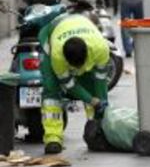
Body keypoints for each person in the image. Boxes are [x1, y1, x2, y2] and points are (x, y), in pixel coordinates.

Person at [38, 13, 110, 154]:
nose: (76, 70)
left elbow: (101, 80)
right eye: (73, 67)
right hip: (53, 33)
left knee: (91, 85)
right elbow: (69, 85)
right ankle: (53, 138)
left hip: (82, 25)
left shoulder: (101, 48)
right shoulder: (57, 55)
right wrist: (90, 100)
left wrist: (102, 102)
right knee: (51, 91)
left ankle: (97, 131)